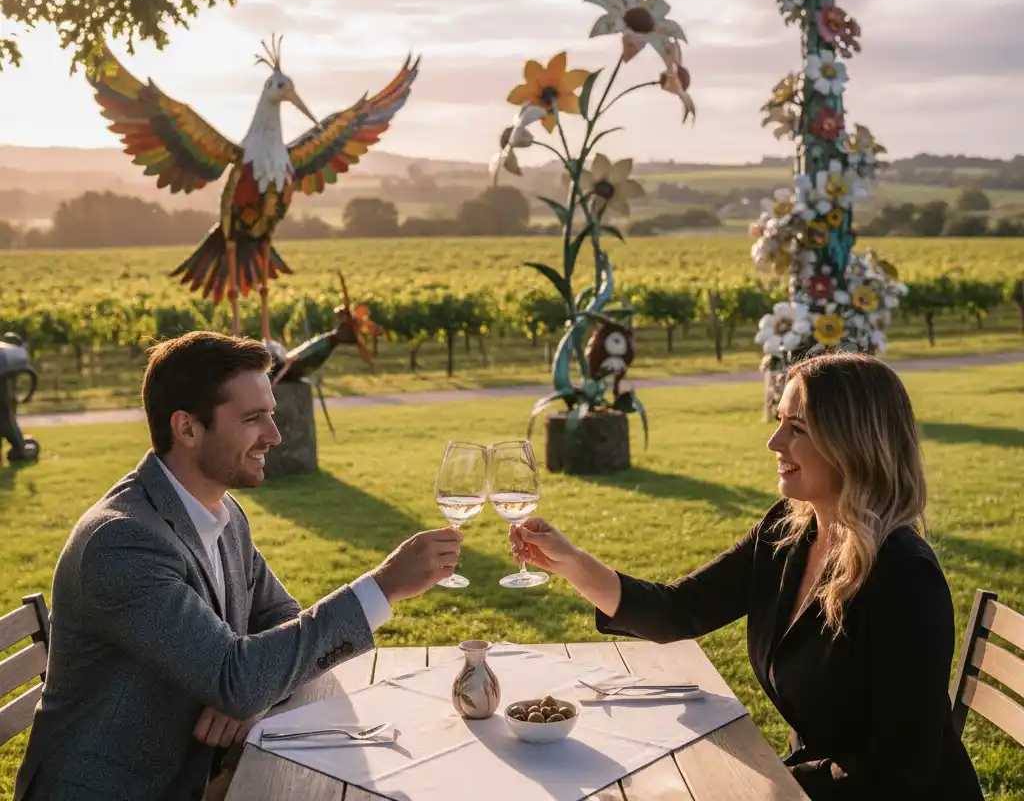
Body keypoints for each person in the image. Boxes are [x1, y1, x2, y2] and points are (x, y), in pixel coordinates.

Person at [510, 353, 983, 800]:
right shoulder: (788, 531)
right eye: (779, 422)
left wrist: (764, 785)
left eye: (796, 428)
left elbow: (898, 773)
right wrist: (569, 561)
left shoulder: (905, 578)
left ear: (853, 444)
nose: (774, 443)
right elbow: (679, 610)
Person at [15, 331, 462, 801]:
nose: (274, 434)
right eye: (253, 419)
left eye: (269, 414)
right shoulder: (122, 542)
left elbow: (280, 624)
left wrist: (251, 690)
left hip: (192, 777)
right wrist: (384, 586)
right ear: (187, 428)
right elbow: (240, 675)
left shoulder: (221, 515)